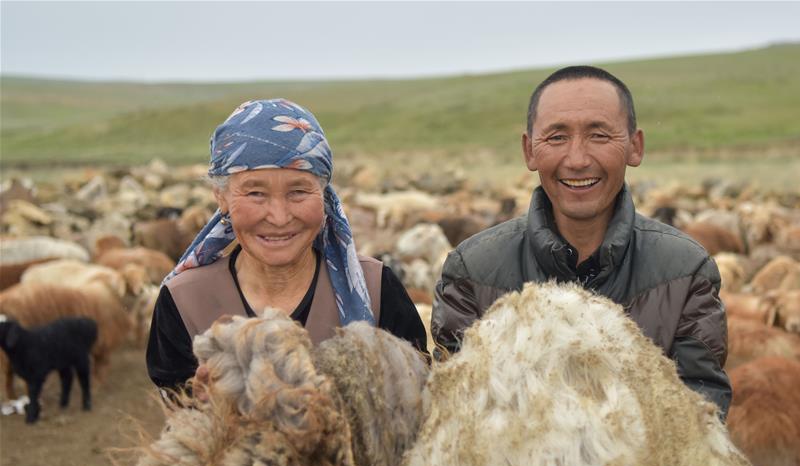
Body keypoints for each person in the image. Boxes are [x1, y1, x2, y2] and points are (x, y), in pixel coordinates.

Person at [431, 66, 732, 416]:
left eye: (599, 136)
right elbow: (458, 417)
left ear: (635, 147)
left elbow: (700, 413)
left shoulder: (685, 272)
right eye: (557, 137)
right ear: (530, 150)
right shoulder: (472, 272)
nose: (577, 160)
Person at [147, 98, 426, 391]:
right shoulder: (184, 301)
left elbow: (416, 410)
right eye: (256, 193)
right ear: (222, 198)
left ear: (324, 194)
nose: (279, 218)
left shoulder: (377, 290)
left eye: (298, 192)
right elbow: (181, 424)